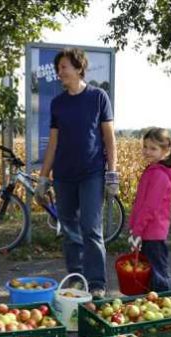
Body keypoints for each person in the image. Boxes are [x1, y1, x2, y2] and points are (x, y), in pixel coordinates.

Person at [35, 48, 118, 299]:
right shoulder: (58, 103)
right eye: (59, 68)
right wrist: (43, 177)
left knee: (91, 228)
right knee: (69, 228)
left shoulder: (98, 97)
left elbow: (109, 139)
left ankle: (96, 283)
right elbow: (53, 144)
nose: (60, 73)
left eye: (64, 68)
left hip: (92, 173)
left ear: (79, 68)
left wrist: (112, 173)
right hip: (63, 176)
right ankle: (76, 278)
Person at [128, 128, 171, 292]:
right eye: (145, 147)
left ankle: (169, 304)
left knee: (159, 275)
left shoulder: (159, 176)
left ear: (166, 151)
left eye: (153, 148)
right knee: (149, 275)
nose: (147, 151)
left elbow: (150, 208)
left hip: (153, 233)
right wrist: (133, 228)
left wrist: (138, 231)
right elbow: (140, 203)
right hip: (145, 231)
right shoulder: (152, 171)